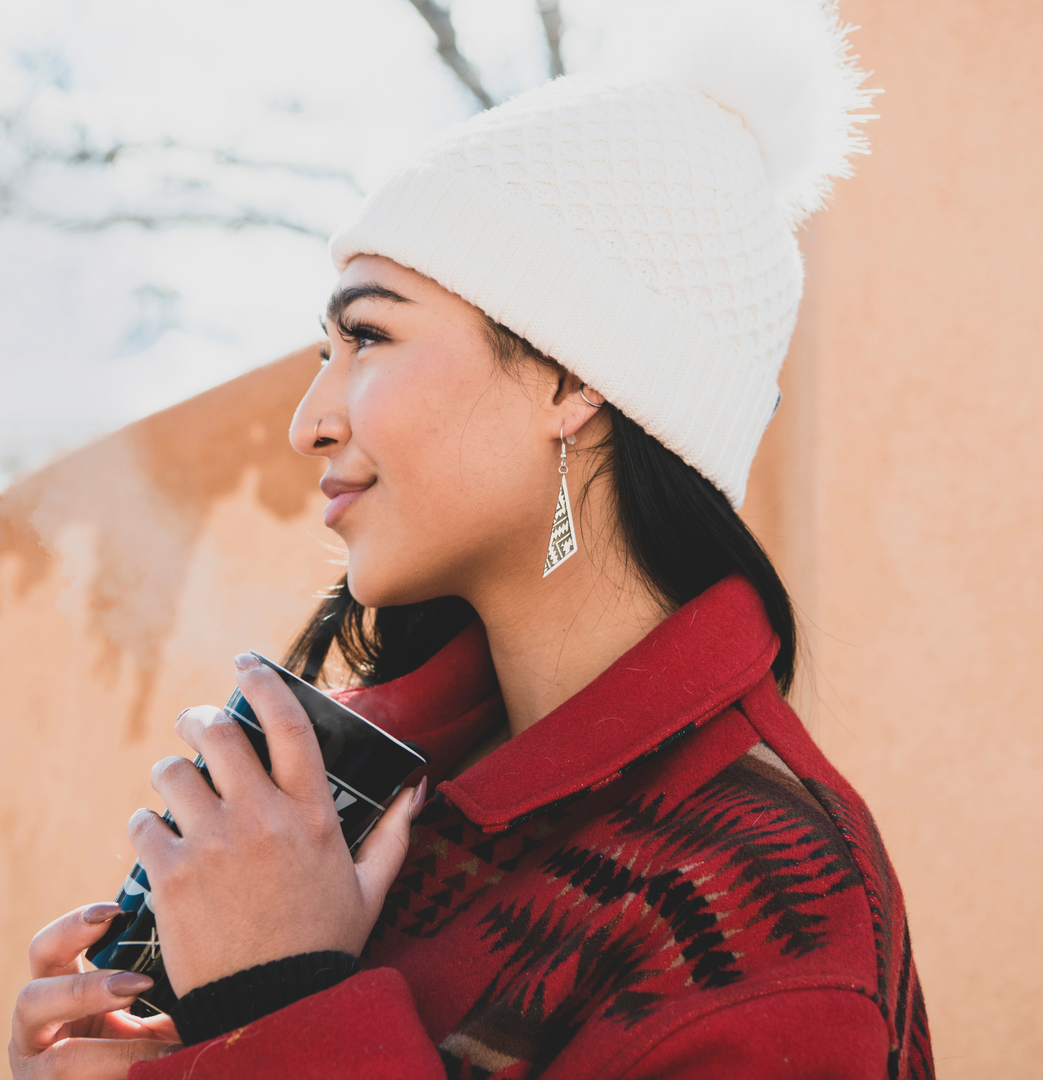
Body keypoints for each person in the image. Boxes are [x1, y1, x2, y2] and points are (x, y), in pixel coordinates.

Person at [9, 2, 935, 1076]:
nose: (310, 420)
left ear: (575, 374)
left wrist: (280, 998)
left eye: (366, 335)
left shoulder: (771, 905)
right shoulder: (360, 809)